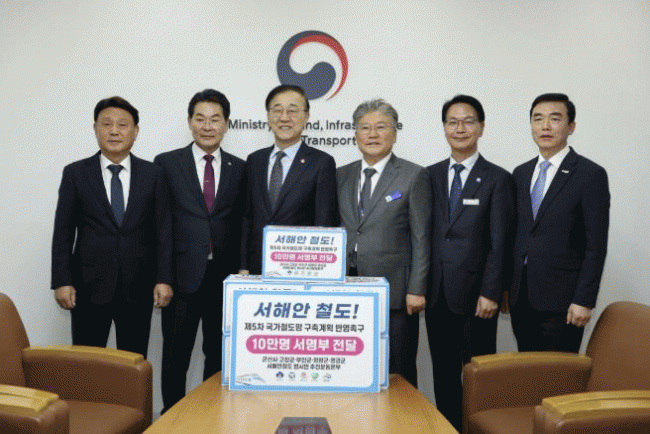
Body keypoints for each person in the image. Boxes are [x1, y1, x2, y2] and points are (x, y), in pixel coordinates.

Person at [51, 96, 172, 358]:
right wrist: (62, 281)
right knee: (87, 362)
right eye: (106, 124)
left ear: (135, 131)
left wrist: (164, 279)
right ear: (95, 128)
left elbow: (163, 232)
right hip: (88, 288)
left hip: (138, 287)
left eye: (122, 125)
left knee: (132, 363)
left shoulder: (153, 174)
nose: (114, 131)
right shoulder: (76, 173)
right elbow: (63, 232)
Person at [425, 95, 515, 430]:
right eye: (453, 122)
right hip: (437, 295)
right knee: (443, 374)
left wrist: (491, 292)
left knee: (478, 377)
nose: (460, 128)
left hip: (477, 298)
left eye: (468, 121)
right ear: (444, 128)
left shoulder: (497, 179)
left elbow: (500, 242)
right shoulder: (429, 176)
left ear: (481, 127)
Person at [154, 89, 246, 412]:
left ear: (226, 124)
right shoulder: (167, 164)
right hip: (180, 279)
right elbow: (160, 226)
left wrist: (243, 269)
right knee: (175, 355)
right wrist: (163, 277)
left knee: (218, 356)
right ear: (189, 121)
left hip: (224, 278)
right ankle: (173, 419)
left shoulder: (240, 168)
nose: (208, 126)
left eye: (215, 119)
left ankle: (210, 418)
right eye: (200, 119)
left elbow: (243, 223)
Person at [337, 99, 431, 388]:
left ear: (394, 132)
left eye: (381, 127)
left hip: (396, 291)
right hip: (348, 287)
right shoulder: (341, 175)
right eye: (365, 128)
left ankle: (404, 415)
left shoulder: (414, 175)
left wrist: (417, 288)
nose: (372, 134)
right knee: (353, 365)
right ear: (355, 134)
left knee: (398, 369)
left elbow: (421, 237)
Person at [510, 93, 610, 353]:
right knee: (526, 370)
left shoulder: (590, 175)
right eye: (538, 119)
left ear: (571, 126)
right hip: (521, 298)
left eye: (554, 119)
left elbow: (596, 245)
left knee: (558, 374)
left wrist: (584, 300)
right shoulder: (520, 174)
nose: (545, 126)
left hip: (563, 303)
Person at [240, 84, 338, 275]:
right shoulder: (255, 160)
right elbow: (247, 218)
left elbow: (324, 223)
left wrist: (320, 273)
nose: (284, 117)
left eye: (292, 110)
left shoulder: (321, 162)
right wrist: (244, 265)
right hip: (257, 267)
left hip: (300, 269)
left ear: (306, 117)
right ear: (268, 117)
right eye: (277, 110)